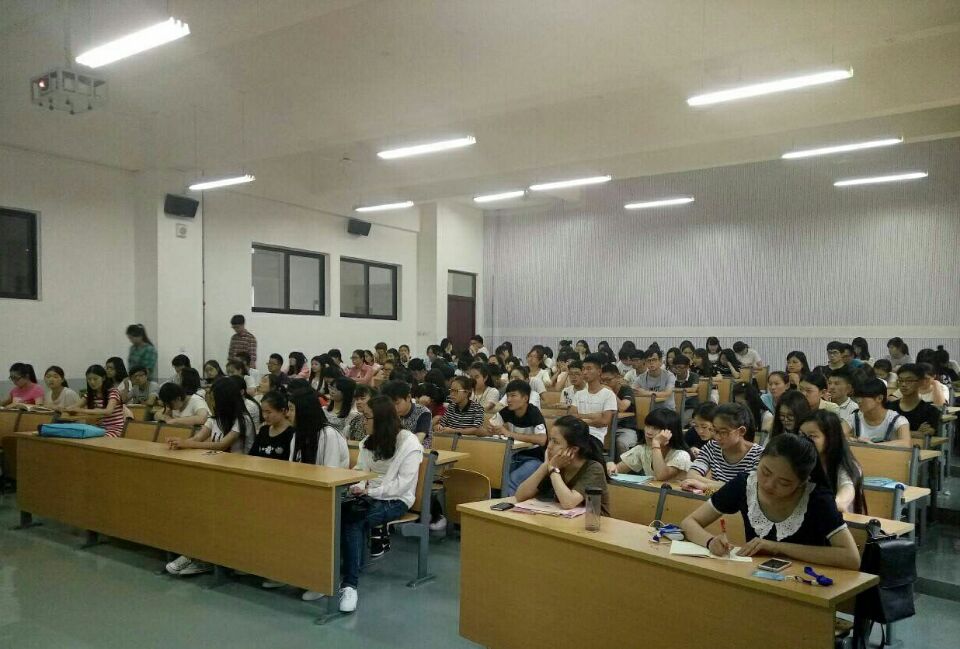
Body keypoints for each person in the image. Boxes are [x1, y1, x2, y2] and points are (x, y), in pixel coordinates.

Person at [681, 433, 860, 570]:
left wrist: (777, 547)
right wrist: (710, 541)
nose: (768, 485)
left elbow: (851, 558)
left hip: (807, 583)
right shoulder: (745, 484)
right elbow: (690, 522)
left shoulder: (817, 498)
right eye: (765, 472)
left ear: (802, 482)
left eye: (784, 483)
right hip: (756, 577)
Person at [337, 395, 425, 612]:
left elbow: (402, 485)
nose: (363, 422)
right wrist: (358, 485)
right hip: (367, 495)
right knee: (335, 512)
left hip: (396, 500)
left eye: (367, 417)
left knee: (353, 519)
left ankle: (349, 584)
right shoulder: (369, 441)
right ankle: (333, 572)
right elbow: (360, 470)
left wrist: (370, 491)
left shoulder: (408, 444)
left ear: (381, 419)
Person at [165, 378, 256, 577]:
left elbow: (221, 445)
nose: (210, 402)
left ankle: (202, 558)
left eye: (213, 398)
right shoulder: (214, 419)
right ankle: (195, 554)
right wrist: (181, 442)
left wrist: (187, 444)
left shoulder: (243, 419)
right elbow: (198, 438)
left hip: (236, 477)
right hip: (215, 471)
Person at [514, 415, 609, 515]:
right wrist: (546, 465)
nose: (549, 446)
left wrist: (553, 469)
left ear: (573, 449)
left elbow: (568, 502)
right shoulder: (556, 463)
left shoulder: (594, 469)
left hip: (592, 523)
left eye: (555, 442)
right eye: (550, 440)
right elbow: (520, 496)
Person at [682, 402, 763, 491]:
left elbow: (748, 489)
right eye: (714, 430)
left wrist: (706, 486)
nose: (717, 437)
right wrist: (724, 486)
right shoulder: (711, 447)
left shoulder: (759, 455)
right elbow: (692, 475)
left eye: (723, 432)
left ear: (741, 431)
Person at [488, 380, 548, 495]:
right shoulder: (507, 411)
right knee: (495, 475)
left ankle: (506, 505)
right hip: (513, 456)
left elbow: (542, 439)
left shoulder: (534, 412)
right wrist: (492, 429)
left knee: (510, 481)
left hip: (534, 459)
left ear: (525, 398)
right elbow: (491, 426)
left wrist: (509, 434)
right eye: (507, 396)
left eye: (513, 395)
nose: (509, 400)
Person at [799, 411, 866, 513]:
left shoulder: (846, 465)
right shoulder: (801, 460)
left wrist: (837, 503)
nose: (804, 440)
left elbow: (847, 487)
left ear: (830, 438)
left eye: (812, 436)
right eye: (801, 434)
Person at [608, 409, 692, 481]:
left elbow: (661, 476)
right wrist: (610, 466)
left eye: (656, 428)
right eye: (647, 426)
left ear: (670, 432)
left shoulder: (681, 455)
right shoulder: (642, 449)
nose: (649, 432)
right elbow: (617, 471)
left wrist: (656, 444)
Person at [288, 380, 348, 469]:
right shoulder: (298, 434)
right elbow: (292, 467)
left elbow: (331, 471)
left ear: (303, 411)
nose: (287, 414)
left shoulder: (328, 435)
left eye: (291, 409)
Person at [569, 353, 617, 445]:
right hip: (577, 434)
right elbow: (572, 417)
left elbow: (604, 421)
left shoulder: (608, 394)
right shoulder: (579, 394)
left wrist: (581, 418)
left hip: (595, 437)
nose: (585, 372)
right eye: (583, 369)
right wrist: (593, 416)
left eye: (589, 369)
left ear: (599, 371)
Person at [63, 365, 124, 437]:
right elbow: (74, 407)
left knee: (95, 440)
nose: (92, 382)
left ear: (103, 378)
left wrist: (81, 410)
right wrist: (63, 409)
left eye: (95, 379)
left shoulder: (113, 392)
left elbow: (108, 411)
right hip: (99, 429)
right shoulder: (90, 394)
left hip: (115, 429)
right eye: (89, 379)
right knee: (78, 436)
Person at [853, 378, 911, 445]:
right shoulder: (854, 417)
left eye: (863, 397)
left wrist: (872, 445)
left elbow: (906, 443)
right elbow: (843, 437)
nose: (858, 401)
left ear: (879, 398)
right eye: (857, 397)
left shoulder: (898, 420)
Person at [887, 364, 941, 436]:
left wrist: (895, 432)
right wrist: (915, 433)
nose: (903, 384)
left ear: (921, 382)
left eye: (909, 380)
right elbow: (883, 431)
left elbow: (925, 434)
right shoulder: (889, 407)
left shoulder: (930, 411)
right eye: (900, 380)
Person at [380, 380, 432, 446]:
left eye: (397, 403)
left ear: (408, 397)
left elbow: (418, 440)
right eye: (390, 404)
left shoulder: (423, 412)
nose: (394, 408)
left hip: (419, 450)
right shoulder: (390, 412)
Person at [601, 363, 637, 457]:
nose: (605, 383)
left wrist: (610, 392)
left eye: (608, 380)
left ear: (618, 377)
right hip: (605, 428)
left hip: (625, 428)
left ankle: (623, 466)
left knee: (621, 443)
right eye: (602, 380)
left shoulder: (626, 390)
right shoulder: (601, 392)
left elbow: (622, 407)